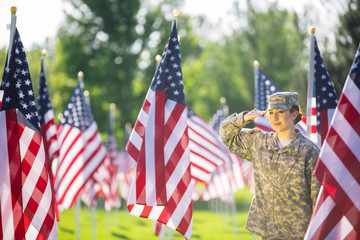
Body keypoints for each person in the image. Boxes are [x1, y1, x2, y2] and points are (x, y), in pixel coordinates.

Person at [220, 92, 321, 240]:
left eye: (280, 112)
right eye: (271, 112)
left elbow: (317, 197)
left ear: (294, 113)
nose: (274, 118)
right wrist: (244, 117)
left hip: (299, 232)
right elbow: (226, 134)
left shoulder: (309, 150)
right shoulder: (260, 141)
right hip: (268, 231)